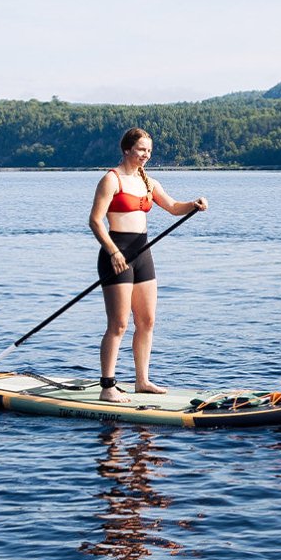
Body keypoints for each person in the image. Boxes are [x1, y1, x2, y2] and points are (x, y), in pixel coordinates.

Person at [88, 127, 207, 403]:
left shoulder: (148, 182)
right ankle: (108, 386)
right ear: (127, 149)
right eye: (142, 149)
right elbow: (95, 221)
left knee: (147, 321)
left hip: (143, 254)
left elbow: (174, 207)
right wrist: (114, 252)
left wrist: (194, 204)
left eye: (149, 151)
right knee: (118, 324)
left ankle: (142, 381)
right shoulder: (111, 179)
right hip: (115, 255)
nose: (146, 155)